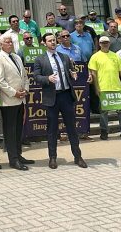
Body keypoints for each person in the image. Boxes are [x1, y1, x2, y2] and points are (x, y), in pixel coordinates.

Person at [33, 32, 87, 169]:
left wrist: (73, 73)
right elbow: (36, 77)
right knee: (52, 129)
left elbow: (70, 70)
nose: (52, 42)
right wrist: (47, 79)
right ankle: (52, 158)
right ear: (44, 43)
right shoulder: (40, 59)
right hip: (52, 98)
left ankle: (77, 156)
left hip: (66, 96)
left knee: (72, 128)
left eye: (54, 40)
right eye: (49, 40)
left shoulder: (64, 57)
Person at [0, 31, 31, 170]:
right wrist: (14, 93)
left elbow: (25, 76)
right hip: (8, 100)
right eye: (7, 42)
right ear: (1, 44)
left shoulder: (17, 57)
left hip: (21, 99)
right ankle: (13, 159)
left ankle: (18, 154)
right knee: (10, 130)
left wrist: (25, 90)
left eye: (11, 42)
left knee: (18, 129)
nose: (10, 44)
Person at [89, 35, 121, 140]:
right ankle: (104, 132)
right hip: (103, 88)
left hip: (117, 87)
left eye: (106, 42)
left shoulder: (115, 56)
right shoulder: (95, 56)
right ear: (99, 44)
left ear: (109, 43)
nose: (105, 44)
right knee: (104, 113)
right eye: (103, 42)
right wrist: (96, 88)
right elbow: (93, 74)